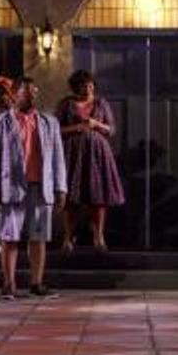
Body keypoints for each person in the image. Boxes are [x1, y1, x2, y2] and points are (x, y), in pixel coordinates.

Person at [0, 77, 68, 301]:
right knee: (9, 236)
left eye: (35, 92)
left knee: (38, 237)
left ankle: (36, 283)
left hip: (42, 187)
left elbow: (58, 158)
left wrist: (61, 188)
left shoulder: (49, 122)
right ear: (15, 94)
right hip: (10, 187)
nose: (32, 96)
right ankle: (8, 284)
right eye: (27, 92)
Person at [56, 69, 125, 251]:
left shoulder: (101, 104)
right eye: (83, 86)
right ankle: (68, 237)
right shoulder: (66, 105)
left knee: (98, 197)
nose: (88, 89)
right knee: (71, 197)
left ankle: (98, 236)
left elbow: (111, 130)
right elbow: (55, 130)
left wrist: (96, 124)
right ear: (75, 87)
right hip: (72, 155)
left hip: (97, 156)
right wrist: (77, 127)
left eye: (90, 85)